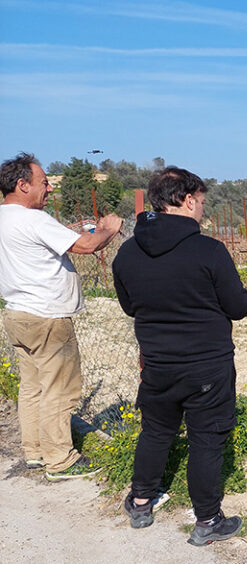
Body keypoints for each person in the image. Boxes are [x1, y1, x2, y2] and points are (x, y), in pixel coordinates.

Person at [112, 166, 247, 546]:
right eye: (201, 202)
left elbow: (129, 306)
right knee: (206, 439)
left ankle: (141, 503)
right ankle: (207, 520)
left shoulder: (127, 252)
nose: (202, 210)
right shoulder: (208, 251)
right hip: (207, 365)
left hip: (156, 364)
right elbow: (238, 307)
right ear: (188, 201)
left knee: (156, 431)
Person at [0, 153, 122, 480]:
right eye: (44, 183)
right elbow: (86, 246)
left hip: (17, 314)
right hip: (48, 317)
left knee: (33, 386)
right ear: (22, 185)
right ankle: (60, 459)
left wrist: (66, 230)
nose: (50, 189)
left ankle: (35, 451)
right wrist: (109, 229)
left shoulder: (5, 218)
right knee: (60, 389)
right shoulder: (34, 219)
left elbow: (37, 243)